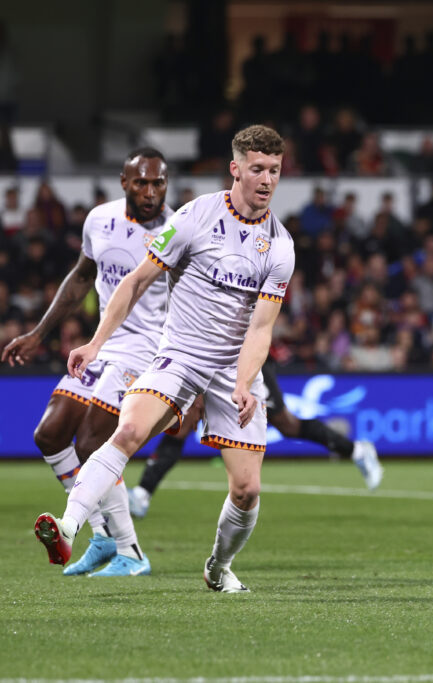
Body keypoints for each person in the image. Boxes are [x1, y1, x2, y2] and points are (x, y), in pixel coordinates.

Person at [33, 125, 295, 594]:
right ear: (236, 169)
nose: (266, 179)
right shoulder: (195, 216)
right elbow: (134, 281)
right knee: (128, 430)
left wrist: (243, 382)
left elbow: (261, 327)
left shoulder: (279, 245)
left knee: (247, 491)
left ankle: (218, 566)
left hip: (232, 370)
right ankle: (69, 526)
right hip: (178, 354)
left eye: (274, 170)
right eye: (257, 168)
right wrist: (95, 343)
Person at [2, 148, 174, 577]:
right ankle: (102, 536)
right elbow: (82, 277)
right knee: (50, 434)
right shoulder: (100, 220)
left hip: (148, 350)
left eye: (158, 183)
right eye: (142, 182)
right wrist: (38, 333)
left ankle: (130, 552)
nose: (151, 192)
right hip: (103, 343)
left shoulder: (179, 230)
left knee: (92, 442)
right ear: (124, 182)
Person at [127, 357, 382, 519]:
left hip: (245, 362)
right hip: (205, 357)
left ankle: (357, 450)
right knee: (183, 423)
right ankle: (142, 493)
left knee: (287, 424)